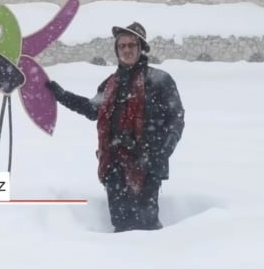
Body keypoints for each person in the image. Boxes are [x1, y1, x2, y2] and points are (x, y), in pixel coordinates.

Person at [46, 22, 185, 232]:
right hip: (114, 166)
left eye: (131, 45)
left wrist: (161, 152)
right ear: (116, 50)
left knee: (148, 225)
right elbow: (92, 109)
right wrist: (61, 95)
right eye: (122, 46)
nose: (127, 50)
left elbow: (176, 119)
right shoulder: (110, 85)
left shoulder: (160, 81)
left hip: (148, 165)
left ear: (141, 48)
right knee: (121, 224)